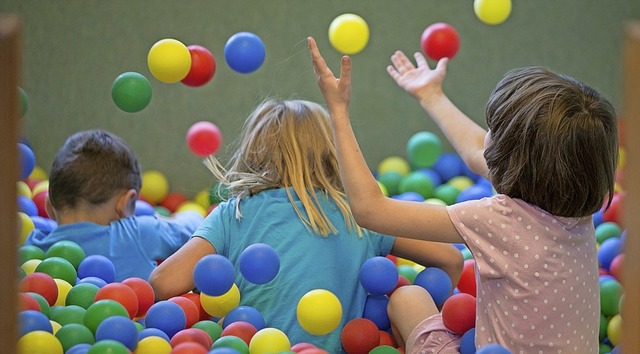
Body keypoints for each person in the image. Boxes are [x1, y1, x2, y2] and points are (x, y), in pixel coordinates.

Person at [308, 36, 617, 353]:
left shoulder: (497, 220)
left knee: (407, 298)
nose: (485, 137)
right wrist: (430, 94)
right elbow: (475, 151)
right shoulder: (577, 204)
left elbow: (370, 210)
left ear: (511, 158)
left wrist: (338, 111)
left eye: (492, 131)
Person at [149, 99, 463, 352]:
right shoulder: (360, 214)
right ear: (334, 153)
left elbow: (163, 283)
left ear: (254, 153)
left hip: (249, 346)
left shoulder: (234, 214)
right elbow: (449, 258)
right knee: (407, 299)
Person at [25, 129, 203, 281]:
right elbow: (196, 227)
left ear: (49, 207)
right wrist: (170, 218)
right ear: (126, 203)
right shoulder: (137, 232)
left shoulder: (32, 248)